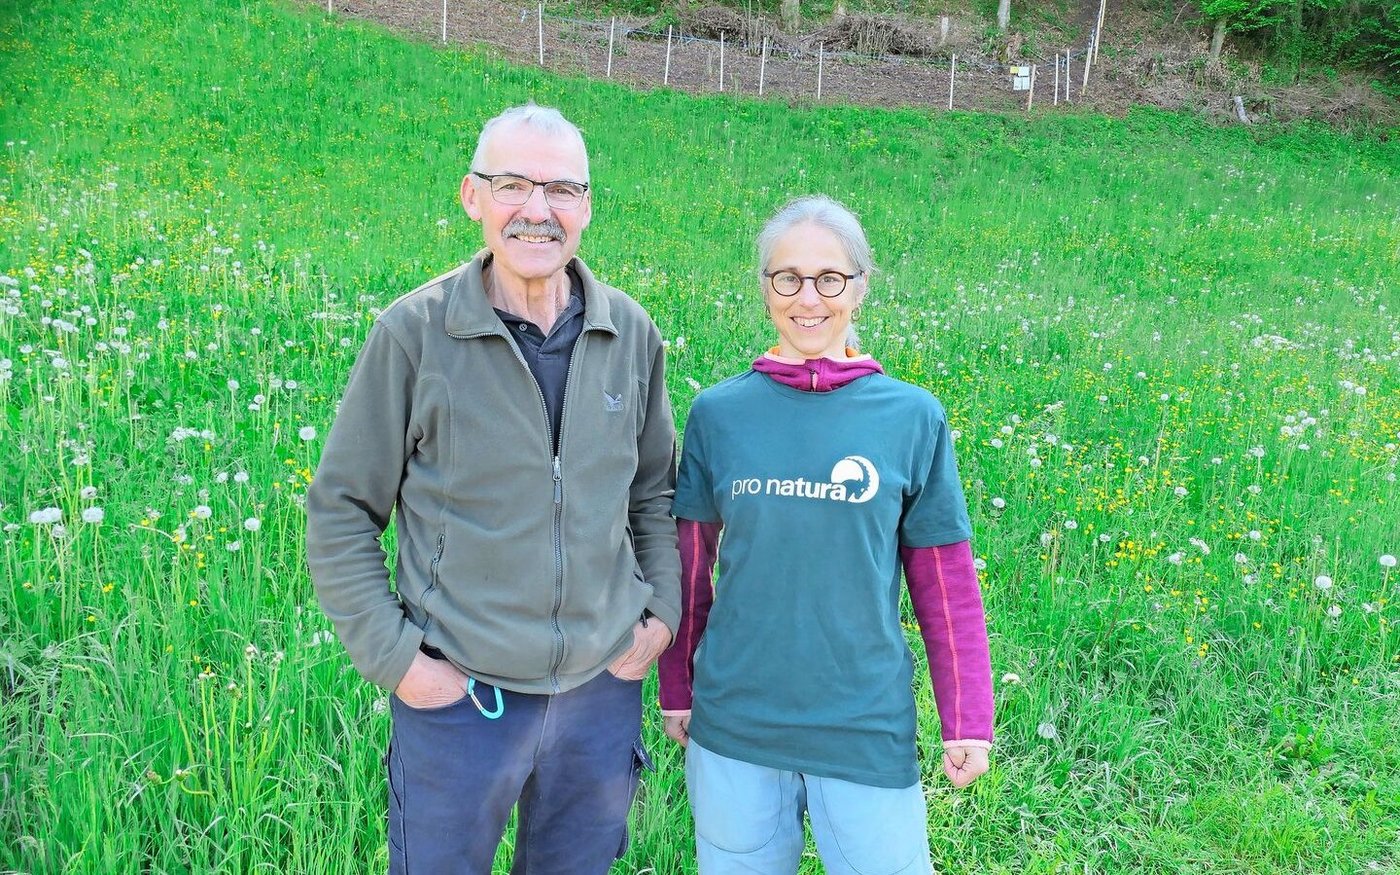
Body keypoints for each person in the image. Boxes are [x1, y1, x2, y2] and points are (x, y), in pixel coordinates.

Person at [306, 103, 681, 874]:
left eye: (561, 190)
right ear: (471, 196)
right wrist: (400, 660)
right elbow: (341, 510)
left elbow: (653, 494)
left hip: (601, 696)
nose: (537, 211)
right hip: (461, 699)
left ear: (587, 206)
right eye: (512, 184)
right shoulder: (413, 333)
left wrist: (660, 617)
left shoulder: (631, 333)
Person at [658, 195, 993, 874]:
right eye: (788, 277)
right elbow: (689, 569)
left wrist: (967, 715)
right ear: (765, 288)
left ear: (860, 287)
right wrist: (677, 687)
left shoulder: (912, 417)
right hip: (735, 728)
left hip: (863, 729)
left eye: (829, 278)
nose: (807, 298)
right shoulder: (719, 415)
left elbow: (945, 582)